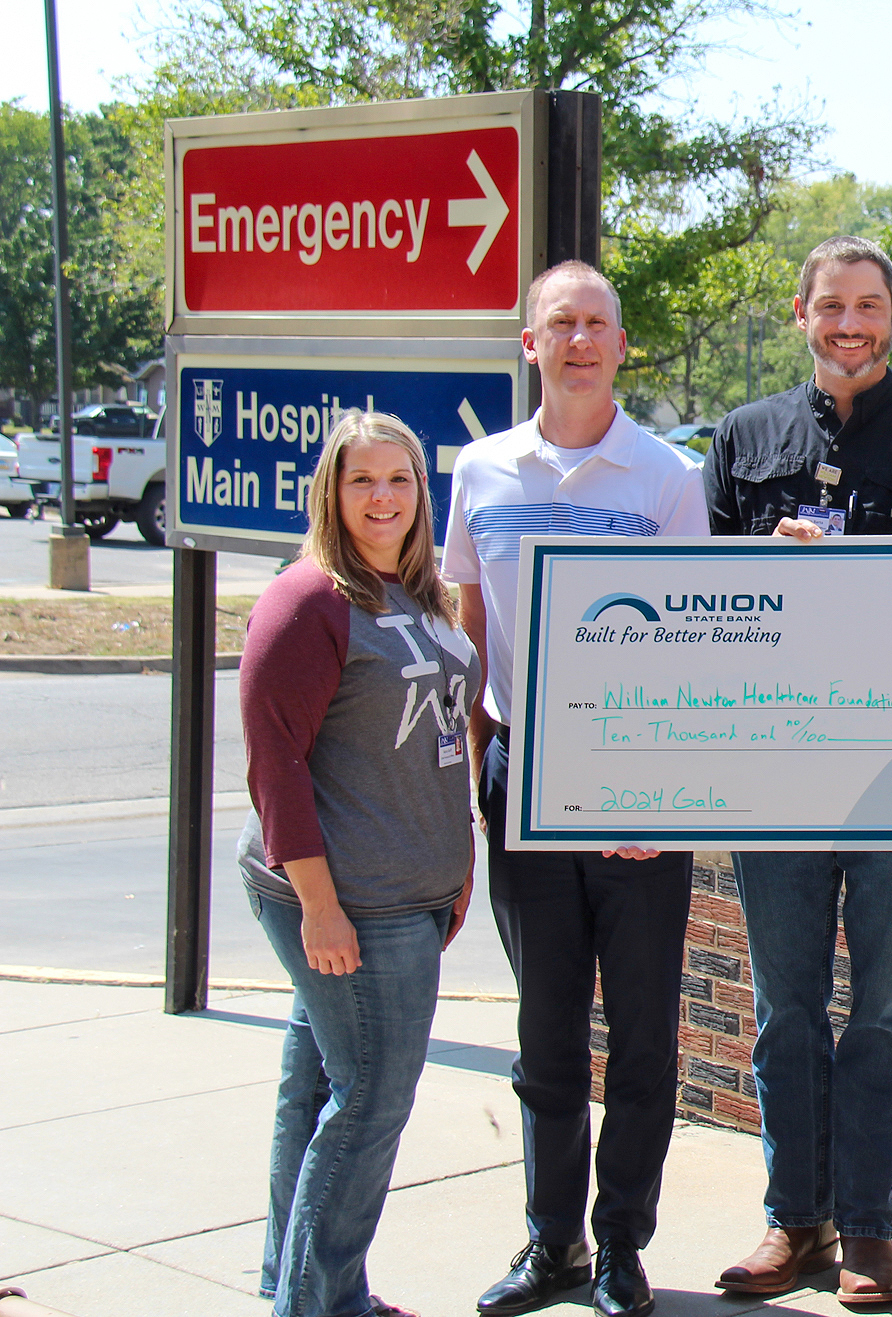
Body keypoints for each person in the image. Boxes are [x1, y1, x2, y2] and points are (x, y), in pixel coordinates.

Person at [703, 235, 892, 1306]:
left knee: (882, 1011)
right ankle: (796, 1224)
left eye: (868, 306)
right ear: (801, 313)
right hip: (777, 779)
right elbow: (699, 613)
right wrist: (756, 563)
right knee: (785, 1012)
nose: (849, 323)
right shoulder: (740, 441)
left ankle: (868, 1230)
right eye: (831, 305)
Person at [443, 260, 711, 1317]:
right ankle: (548, 1241)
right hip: (522, 777)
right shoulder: (479, 469)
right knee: (545, 1027)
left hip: (637, 787)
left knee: (642, 1032)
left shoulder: (664, 478)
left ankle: (619, 1247)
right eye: (561, 323)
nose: (581, 340)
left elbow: (695, 641)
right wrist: (475, 783)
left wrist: (669, 793)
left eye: (597, 323)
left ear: (621, 343)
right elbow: (471, 632)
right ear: (530, 343)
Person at [239, 410, 481, 1317]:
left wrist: (453, 864)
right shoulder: (309, 599)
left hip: (408, 890)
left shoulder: (416, 593)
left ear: (423, 492)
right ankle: (321, 1304)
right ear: (330, 494)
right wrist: (320, 905)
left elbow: (439, 743)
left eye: (401, 480)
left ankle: (303, 1286)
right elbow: (276, 761)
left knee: (319, 1095)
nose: (383, 498)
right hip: (348, 898)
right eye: (361, 481)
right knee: (371, 1102)